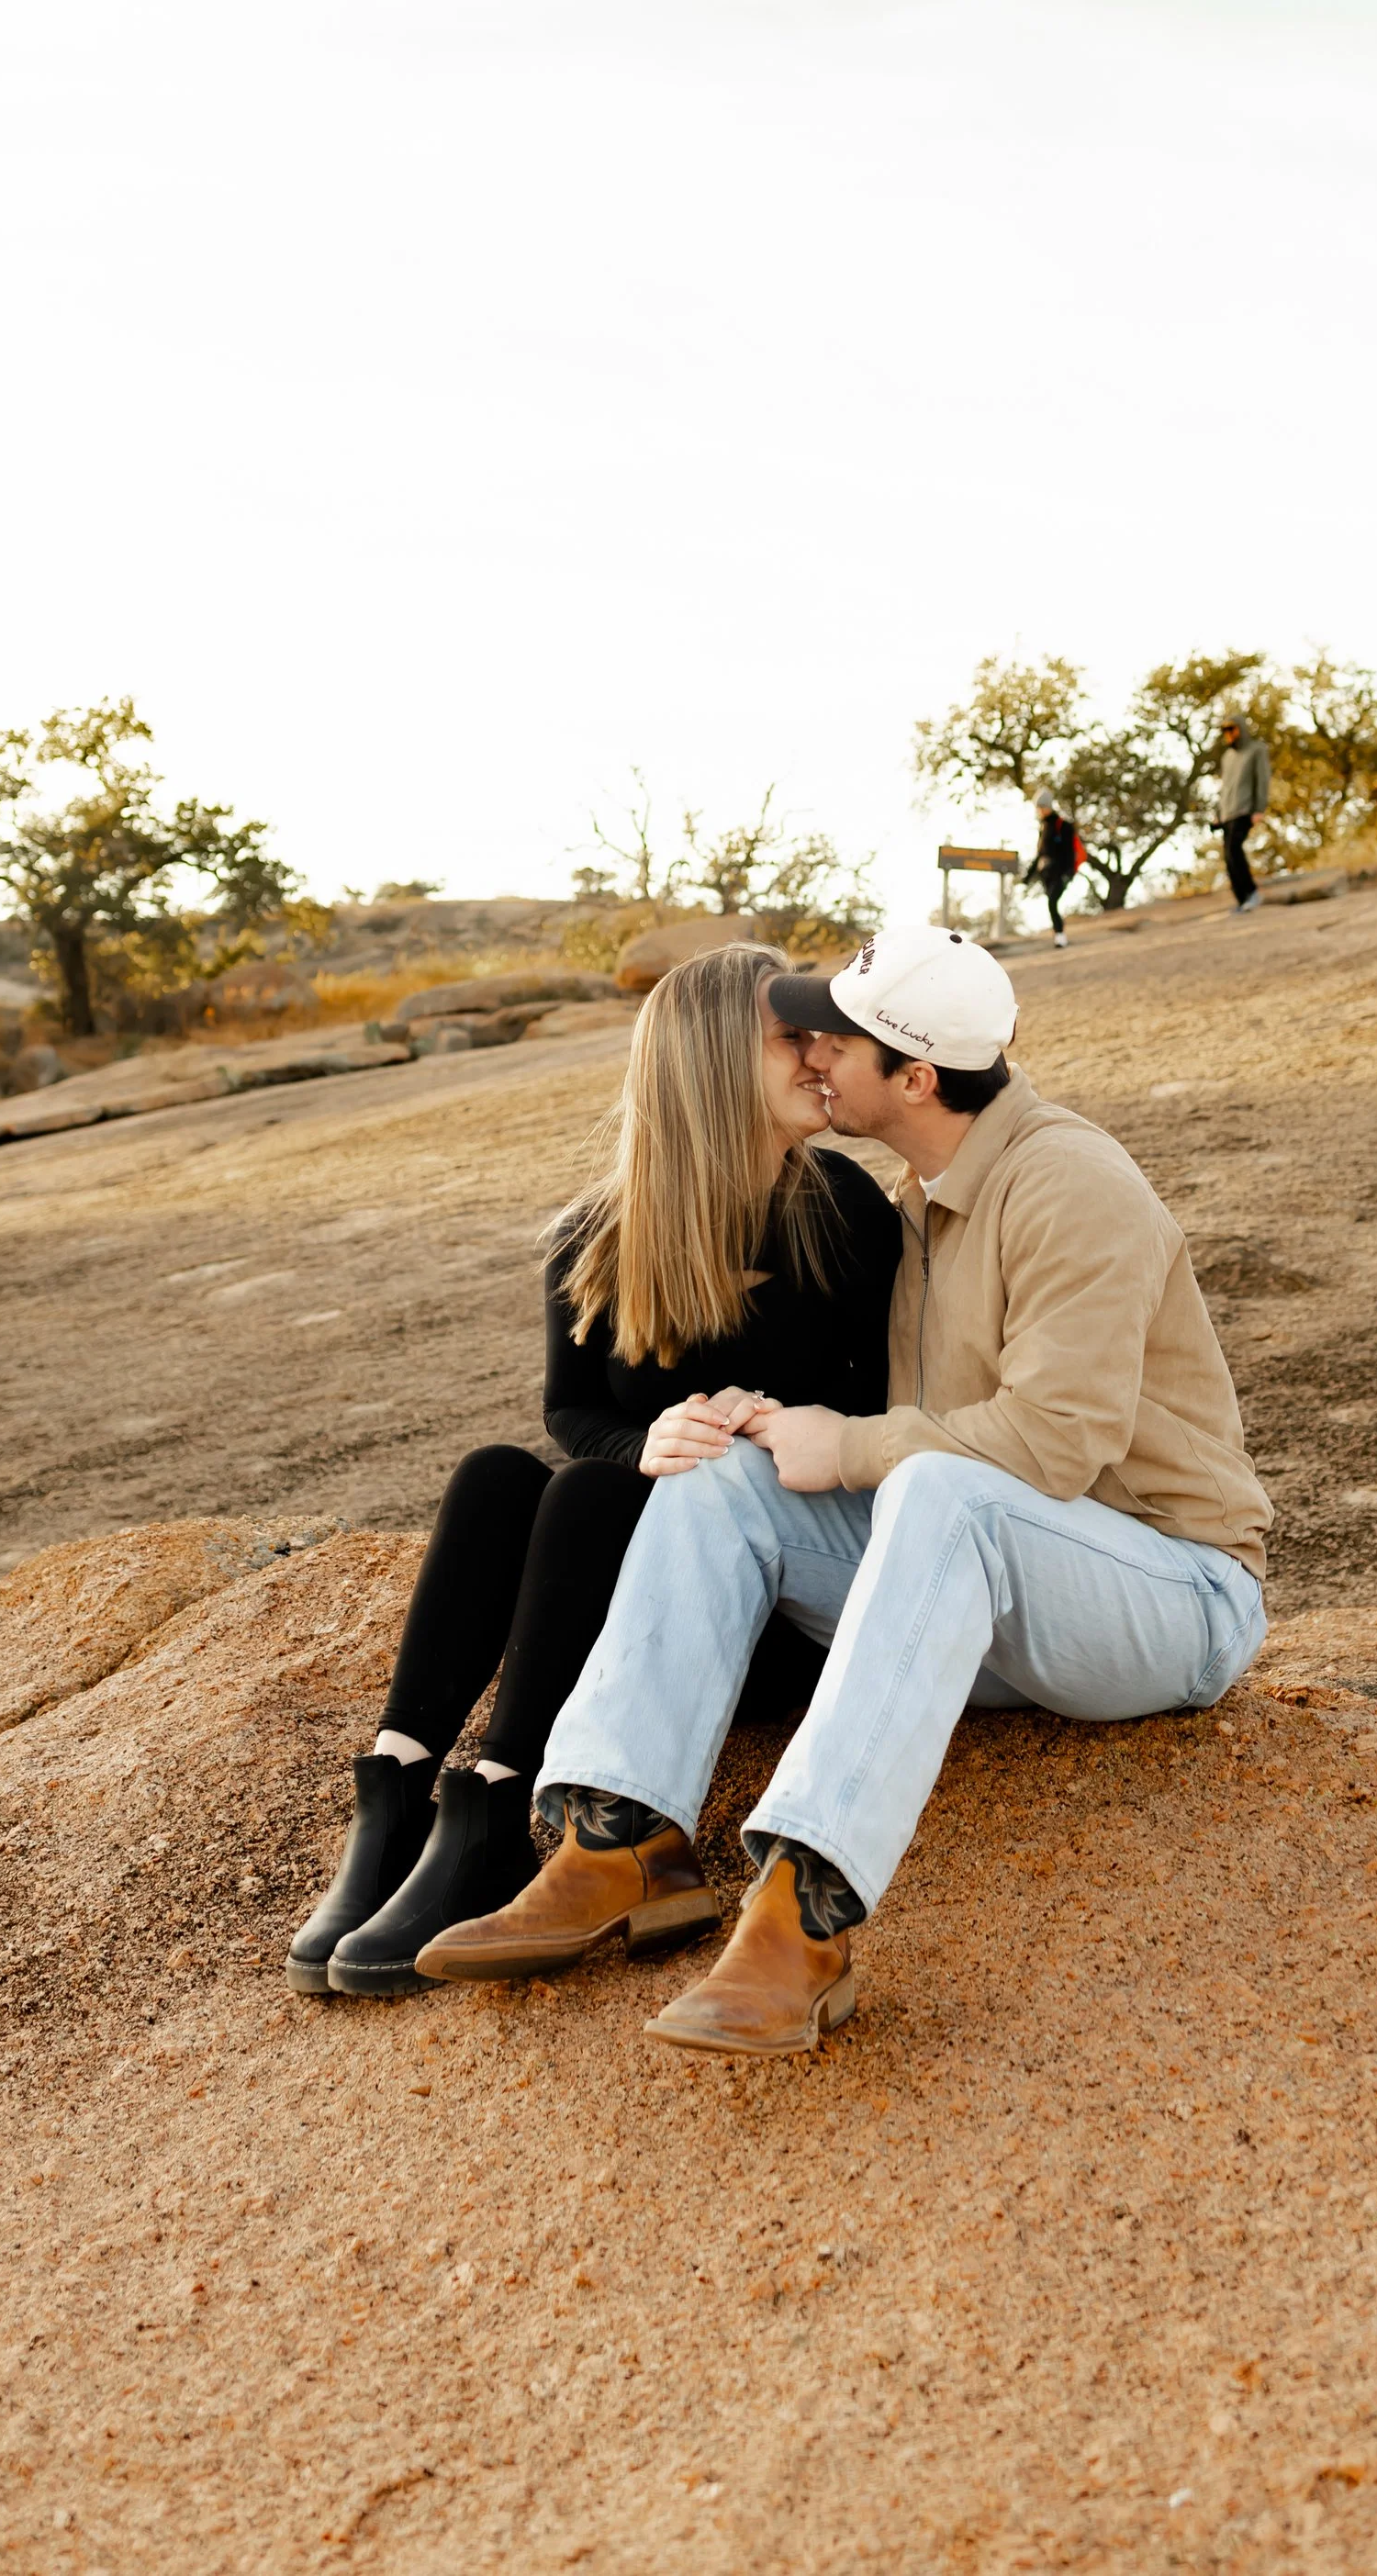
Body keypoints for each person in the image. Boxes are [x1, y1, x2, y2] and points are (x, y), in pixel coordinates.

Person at [412, 928, 1271, 2055]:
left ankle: (801, 1914)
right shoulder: (919, 1198)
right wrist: (755, 1425)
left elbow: (1056, 1446)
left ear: (913, 1078)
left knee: (939, 1491)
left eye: (836, 1039)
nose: (811, 1053)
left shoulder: (1069, 1183)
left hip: (1169, 1598)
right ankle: (619, 1840)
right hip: (996, 1607)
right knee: (724, 1473)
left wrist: (850, 1446)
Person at [285, 943, 901, 1999]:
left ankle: (507, 1789)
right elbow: (569, 1411)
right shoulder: (595, 1232)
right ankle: (401, 1795)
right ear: (712, 1064)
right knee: (495, 1474)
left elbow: (889, 1407)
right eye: (790, 1038)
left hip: (752, 1613)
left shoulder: (841, 1208)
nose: (820, 1056)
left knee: (587, 1492)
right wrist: (646, 1441)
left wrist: (765, 1427)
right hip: (634, 1602)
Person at [1213, 717, 1271, 912]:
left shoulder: (1256, 750)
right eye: (1225, 730)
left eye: (1232, 729)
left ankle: (1252, 893)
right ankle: (1242, 900)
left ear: (1241, 729)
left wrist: (1259, 808)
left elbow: (1262, 779)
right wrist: (1218, 813)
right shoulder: (1227, 757)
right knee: (1228, 858)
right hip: (1227, 813)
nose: (1228, 733)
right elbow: (1224, 788)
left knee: (1234, 850)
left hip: (1245, 810)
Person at [1023, 788, 1082, 944]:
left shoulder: (1063, 826)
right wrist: (1028, 877)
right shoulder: (1043, 827)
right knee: (1052, 903)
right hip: (1046, 874)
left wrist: (1069, 873)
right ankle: (1059, 934)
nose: (1038, 811)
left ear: (1046, 806)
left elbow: (1070, 852)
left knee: (1052, 902)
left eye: (1040, 807)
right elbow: (1040, 854)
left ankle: (1060, 936)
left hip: (1060, 873)